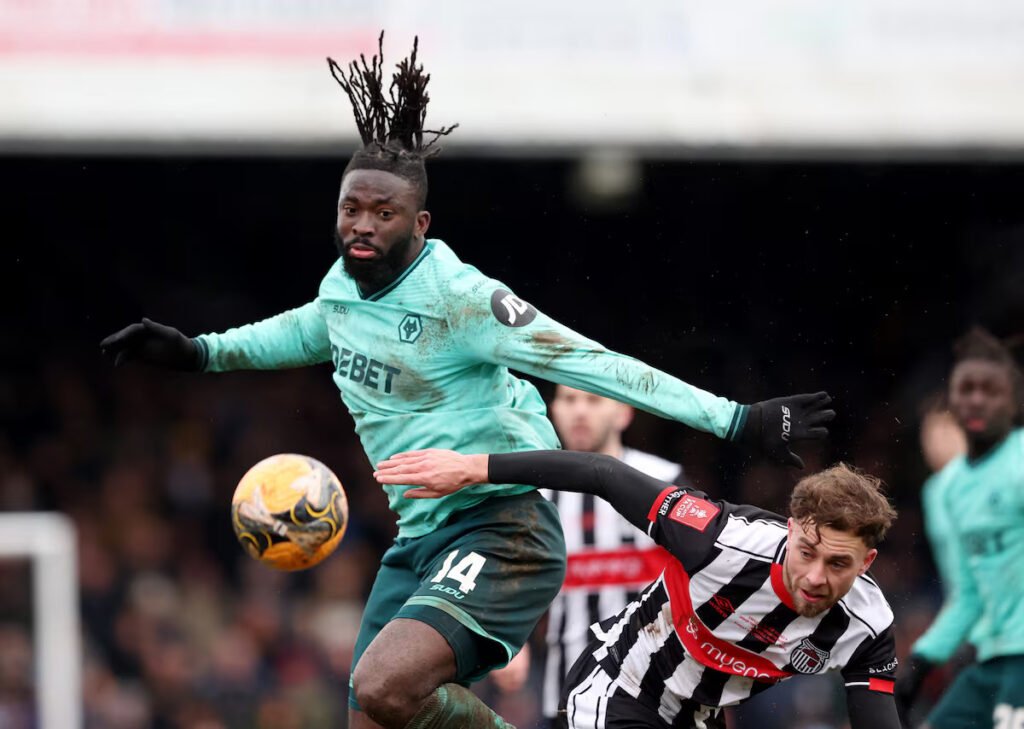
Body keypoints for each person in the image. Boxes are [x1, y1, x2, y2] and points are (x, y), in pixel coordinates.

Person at [99, 34, 835, 729]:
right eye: (350, 209)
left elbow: (592, 361)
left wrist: (734, 418)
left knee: (385, 684)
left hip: (502, 524)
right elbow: (302, 329)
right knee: (374, 714)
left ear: (419, 222)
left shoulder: (462, 300)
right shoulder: (343, 289)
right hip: (418, 538)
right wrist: (197, 353)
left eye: (382, 213)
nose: (362, 225)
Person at [374, 449, 902, 729]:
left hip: (697, 717)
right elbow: (602, 473)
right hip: (619, 683)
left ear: (867, 562)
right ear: (790, 532)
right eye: (807, 552)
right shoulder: (718, 538)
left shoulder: (868, 626)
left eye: (838, 564)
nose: (815, 577)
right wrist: (474, 468)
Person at [535, 385, 687, 724]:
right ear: (553, 410)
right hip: (567, 691)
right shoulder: (538, 493)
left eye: (593, 399)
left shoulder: (664, 480)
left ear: (623, 412)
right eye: (569, 399)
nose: (579, 411)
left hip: (656, 692)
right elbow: (518, 581)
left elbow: (700, 575)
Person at [896, 327, 1024, 729]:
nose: (976, 399)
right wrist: (921, 661)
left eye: (990, 390)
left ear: (1014, 400)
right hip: (991, 655)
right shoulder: (947, 490)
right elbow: (967, 592)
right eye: (966, 389)